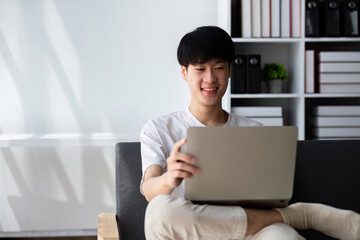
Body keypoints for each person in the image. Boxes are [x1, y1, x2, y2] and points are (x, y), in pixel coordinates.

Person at [140, 26, 360, 240]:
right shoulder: (159, 129)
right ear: (184, 73)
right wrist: (169, 178)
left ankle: (284, 220)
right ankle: (299, 216)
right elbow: (149, 189)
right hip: (188, 233)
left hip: (249, 233)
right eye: (200, 69)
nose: (210, 78)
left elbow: (268, 195)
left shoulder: (254, 131)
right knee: (159, 210)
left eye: (218, 67)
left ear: (229, 71)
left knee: (283, 235)